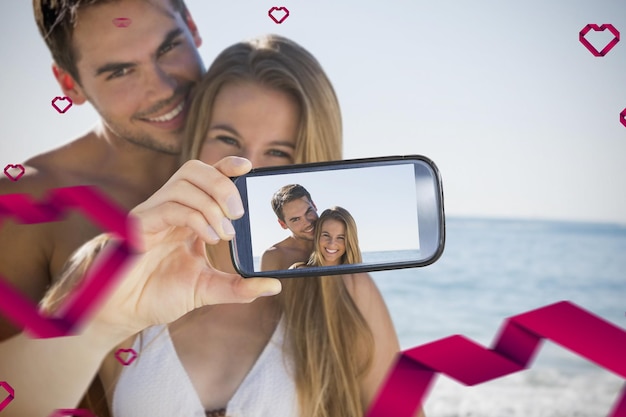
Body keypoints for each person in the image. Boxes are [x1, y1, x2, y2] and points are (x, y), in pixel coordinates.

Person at [2, 34, 425, 417]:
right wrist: (103, 321)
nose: (247, 168)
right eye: (227, 140)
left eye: (278, 151)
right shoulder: (125, 257)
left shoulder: (347, 292)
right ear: (195, 139)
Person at [0, 1, 279, 416]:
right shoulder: (28, 205)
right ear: (69, 84)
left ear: (192, 27)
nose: (162, 86)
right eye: (120, 71)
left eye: (168, 48)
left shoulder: (255, 155)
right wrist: (93, 317)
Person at [261, 184, 319, 271]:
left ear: (314, 206)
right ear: (283, 224)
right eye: (296, 219)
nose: (307, 223)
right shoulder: (273, 256)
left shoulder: (337, 243)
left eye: (308, 212)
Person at [291, 206, 361, 268]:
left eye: (340, 237)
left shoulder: (358, 277)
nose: (331, 244)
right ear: (317, 236)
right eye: (326, 235)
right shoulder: (298, 271)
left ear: (350, 241)